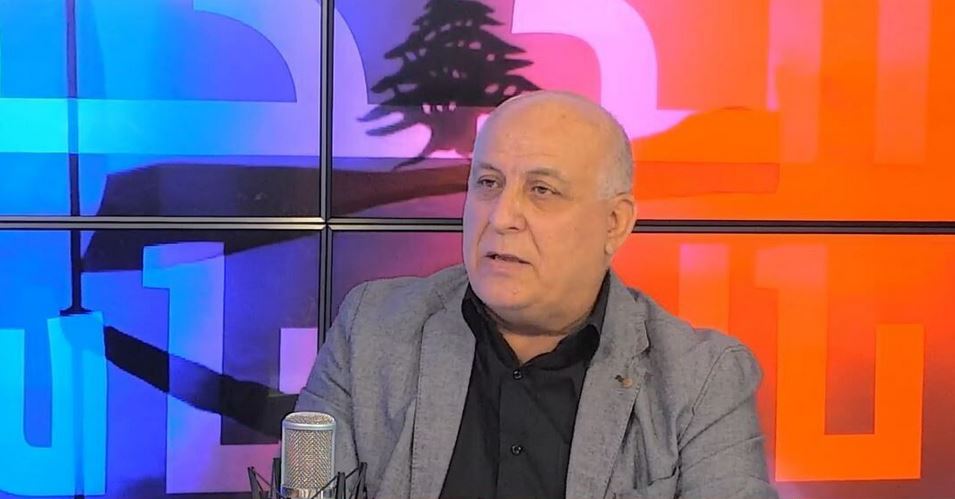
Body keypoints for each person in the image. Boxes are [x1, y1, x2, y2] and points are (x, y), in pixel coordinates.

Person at [297, 91, 777, 498]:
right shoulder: (371, 332)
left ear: (614, 223)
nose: (501, 216)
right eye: (488, 183)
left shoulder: (702, 382)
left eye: (542, 190)